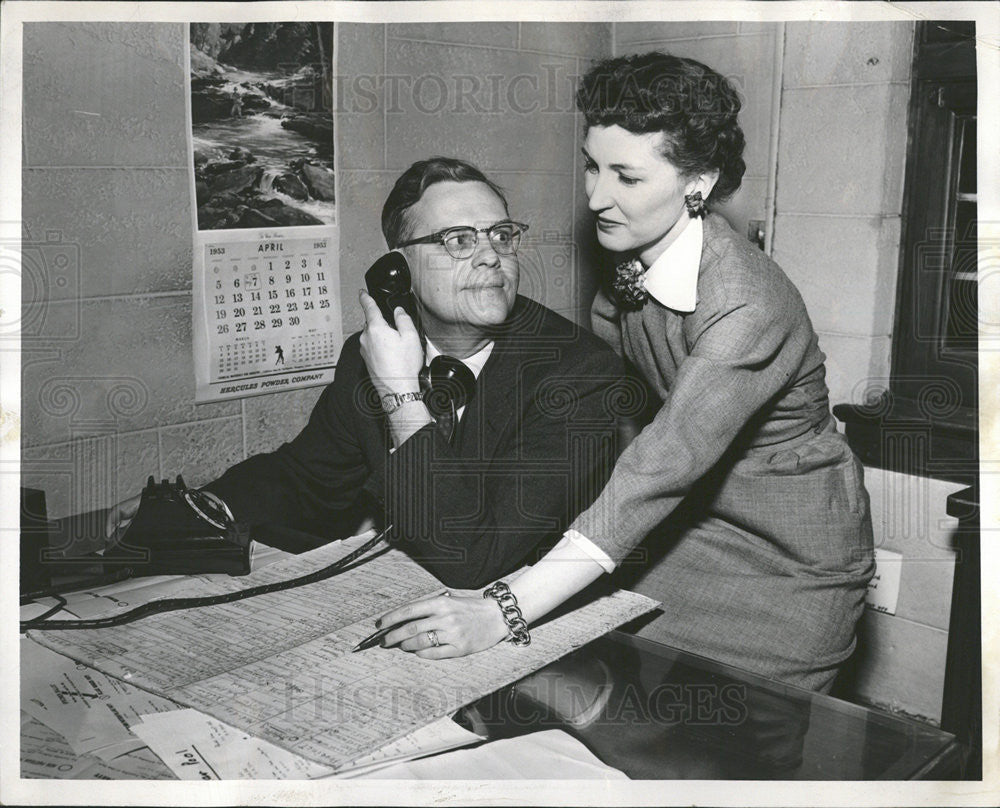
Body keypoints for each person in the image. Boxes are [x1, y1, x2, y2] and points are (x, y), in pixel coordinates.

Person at [375, 53, 875, 693]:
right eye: (592, 165)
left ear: (698, 181)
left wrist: (503, 608)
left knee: (737, 751)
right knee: (615, 726)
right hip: (680, 530)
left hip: (787, 557)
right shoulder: (630, 264)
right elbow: (626, 421)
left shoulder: (748, 303)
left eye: (627, 178)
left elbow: (659, 463)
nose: (595, 197)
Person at [107, 157, 626, 588]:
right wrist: (203, 504)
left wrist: (401, 395)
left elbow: (472, 557)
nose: (491, 257)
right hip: (417, 602)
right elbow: (308, 478)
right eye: (458, 241)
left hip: (533, 620)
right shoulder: (370, 354)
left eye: (501, 235)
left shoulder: (579, 373)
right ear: (396, 266)